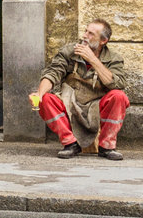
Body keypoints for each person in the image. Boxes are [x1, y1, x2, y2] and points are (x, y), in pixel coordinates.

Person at [31, 20, 129, 160]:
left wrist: (93, 60)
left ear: (103, 40)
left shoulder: (114, 59)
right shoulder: (69, 52)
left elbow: (117, 84)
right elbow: (52, 73)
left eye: (90, 34)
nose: (84, 36)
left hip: (97, 105)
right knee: (45, 99)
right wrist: (40, 94)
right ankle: (70, 144)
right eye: (85, 31)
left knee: (119, 96)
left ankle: (107, 147)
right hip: (70, 101)